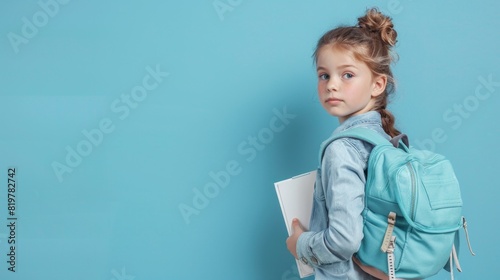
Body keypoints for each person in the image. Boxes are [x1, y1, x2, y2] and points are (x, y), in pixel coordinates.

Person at [286, 8, 402, 280]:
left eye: (347, 75)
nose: (332, 85)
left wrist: (299, 245)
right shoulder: (388, 143)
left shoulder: (342, 150)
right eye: (324, 75)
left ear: (378, 84)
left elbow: (344, 241)